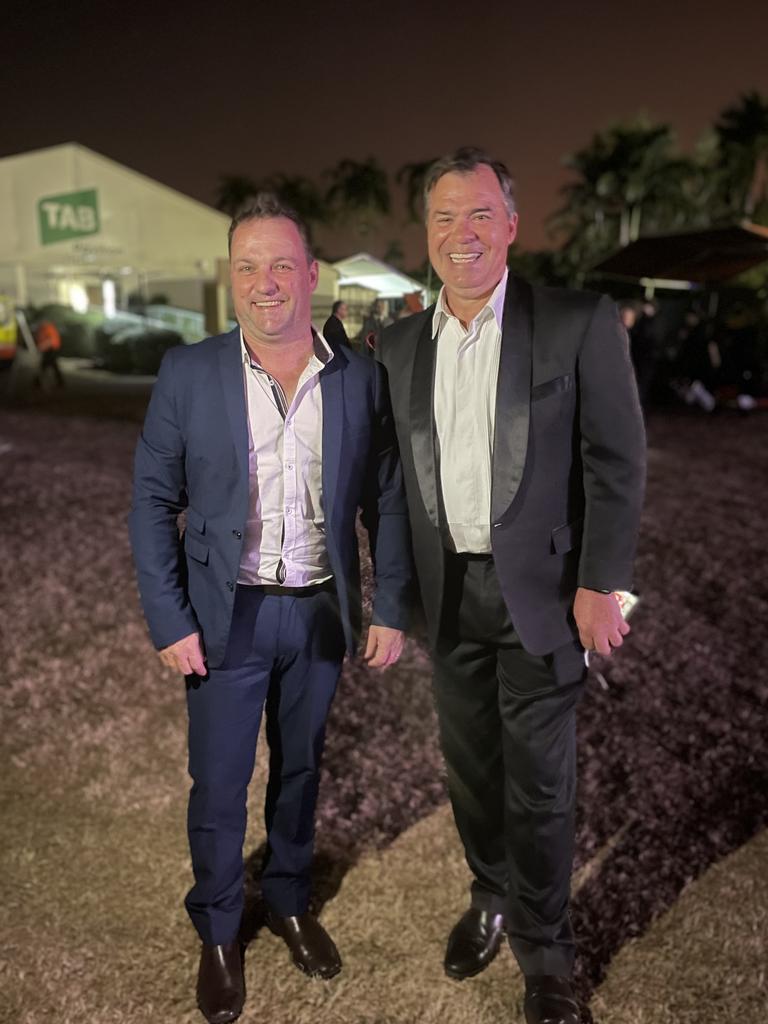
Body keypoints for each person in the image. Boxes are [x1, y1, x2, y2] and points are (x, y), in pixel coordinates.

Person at [377, 148, 646, 1024]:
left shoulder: (575, 321)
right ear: (427, 232)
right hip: (446, 596)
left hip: (544, 597)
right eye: (445, 217)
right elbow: (391, 481)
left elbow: (617, 457)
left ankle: (547, 952)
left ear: (512, 225)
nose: (463, 234)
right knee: (472, 771)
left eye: (481, 214)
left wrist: (602, 581)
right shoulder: (401, 344)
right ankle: (489, 894)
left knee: (539, 783)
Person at [129, 193, 411, 1024]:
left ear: (313, 275)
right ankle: (218, 930)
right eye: (248, 266)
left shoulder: (359, 375)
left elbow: (386, 497)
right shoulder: (190, 372)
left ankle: (287, 899)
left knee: (301, 768)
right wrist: (169, 617)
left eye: (281, 264)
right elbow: (152, 499)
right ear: (231, 276)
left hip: (320, 611)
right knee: (218, 782)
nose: (265, 283)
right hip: (227, 617)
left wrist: (388, 605)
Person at [33, 317, 64, 389]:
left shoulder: (48, 328)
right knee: (52, 366)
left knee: (45, 365)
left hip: (51, 349)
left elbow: (51, 340)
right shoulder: (42, 328)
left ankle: (37, 381)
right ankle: (60, 382)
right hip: (49, 349)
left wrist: (42, 346)